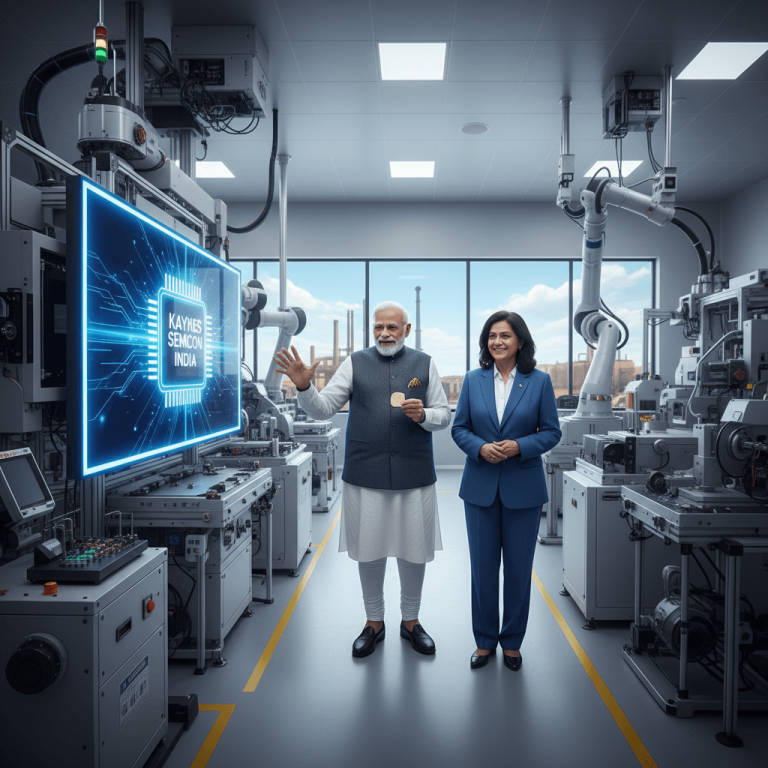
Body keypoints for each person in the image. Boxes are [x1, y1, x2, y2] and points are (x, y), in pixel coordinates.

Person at [274, 301, 451, 658]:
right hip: (365, 472)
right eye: (378, 328)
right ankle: (374, 622)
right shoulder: (354, 363)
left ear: (406, 329)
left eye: (392, 327)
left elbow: (444, 416)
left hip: (414, 474)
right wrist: (306, 389)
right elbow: (324, 408)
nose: (384, 334)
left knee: (414, 549)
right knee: (369, 549)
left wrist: (426, 414)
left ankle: (411, 621)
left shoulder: (425, 363)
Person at [451, 311, 561, 671]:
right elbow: (460, 428)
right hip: (480, 487)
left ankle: (512, 642)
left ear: (520, 342)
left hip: (523, 489)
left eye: (505, 336)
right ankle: (484, 641)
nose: (497, 342)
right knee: (483, 571)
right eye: (492, 336)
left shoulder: (539, 381)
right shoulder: (472, 380)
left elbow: (551, 432)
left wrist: (519, 446)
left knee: (518, 569)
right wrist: (480, 448)